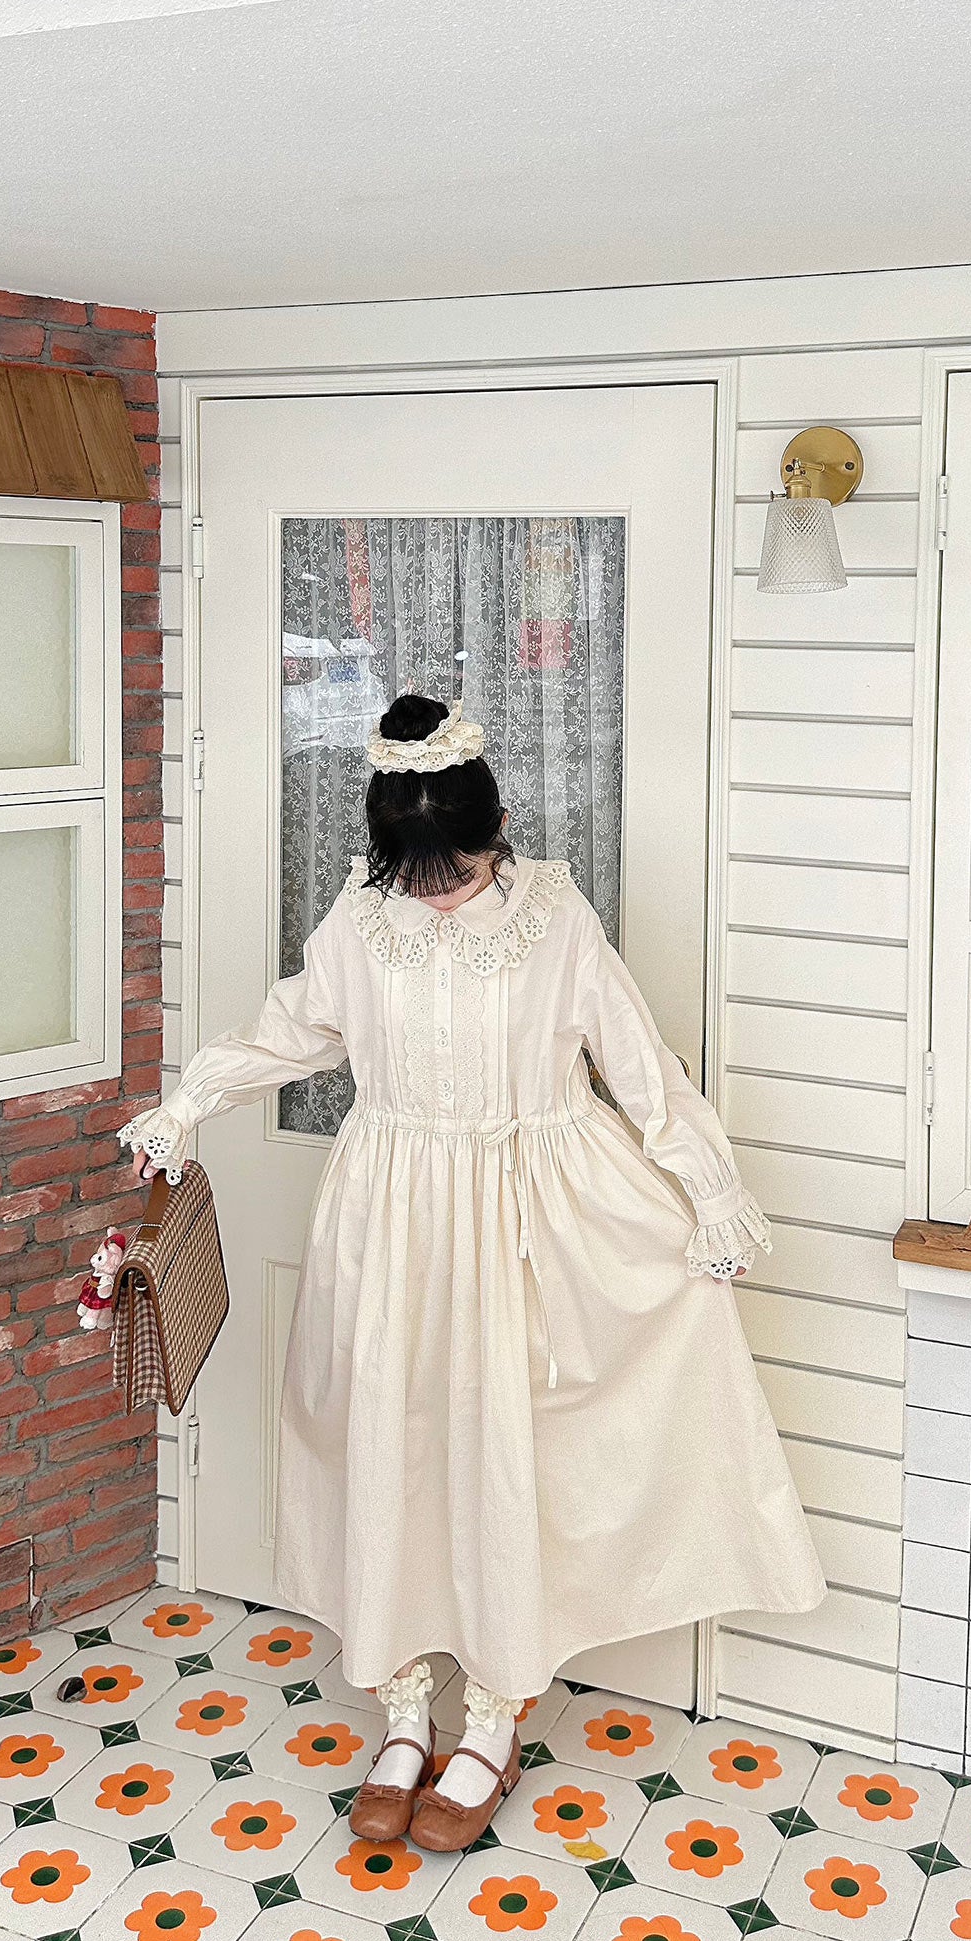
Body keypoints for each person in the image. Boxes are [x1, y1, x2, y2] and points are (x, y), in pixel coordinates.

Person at [120, 693, 824, 1852]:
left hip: (532, 1215)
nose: (438, 892)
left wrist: (709, 1191)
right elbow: (292, 1031)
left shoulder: (555, 916)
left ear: (494, 829)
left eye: (454, 867)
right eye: (417, 871)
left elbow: (639, 1064)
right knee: (384, 1444)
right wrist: (187, 1103)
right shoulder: (363, 918)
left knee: (511, 1457)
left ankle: (494, 1714)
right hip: (390, 1218)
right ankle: (403, 1709)